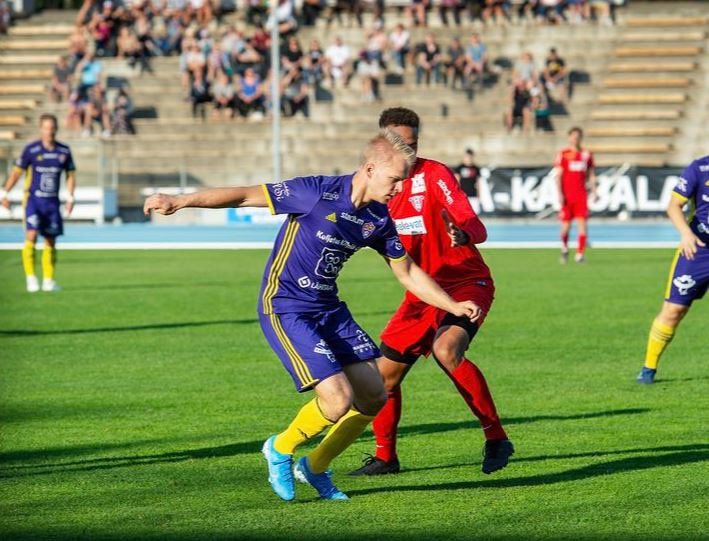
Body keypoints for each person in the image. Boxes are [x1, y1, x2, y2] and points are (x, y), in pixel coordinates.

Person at [143, 129, 482, 501]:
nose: (399, 188)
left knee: (374, 396)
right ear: (370, 169)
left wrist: (452, 306)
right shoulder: (316, 192)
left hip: (329, 310)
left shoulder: (378, 218)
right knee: (337, 400)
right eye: (395, 179)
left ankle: (315, 467)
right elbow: (243, 195)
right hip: (287, 306)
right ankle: (280, 448)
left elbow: (408, 272)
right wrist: (180, 200)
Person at [350, 108, 513, 477]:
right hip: (422, 294)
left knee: (446, 349)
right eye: (399, 145)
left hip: (466, 281)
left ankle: (496, 438)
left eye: (413, 144)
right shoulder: (379, 189)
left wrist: (464, 233)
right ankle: (386, 457)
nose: (408, 152)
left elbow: (473, 223)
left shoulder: (435, 174)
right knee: (382, 378)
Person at [636, 156, 708, 384]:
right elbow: (674, 206)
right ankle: (648, 369)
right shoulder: (699, 168)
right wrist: (686, 234)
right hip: (698, 249)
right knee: (673, 310)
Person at [0, 114, 76, 292]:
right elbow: (16, 173)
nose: (49, 131)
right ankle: (31, 279)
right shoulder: (31, 150)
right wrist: (4, 193)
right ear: (41, 129)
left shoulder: (64, 151)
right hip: (33, 202)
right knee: (31, 236)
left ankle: (49, 280)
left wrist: (70, 197)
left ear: (56, 129)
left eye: (52, 128)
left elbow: (70, 175)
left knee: (50, 241)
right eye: (46, 128)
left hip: (52, 204)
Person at [553, 126, 596, 263]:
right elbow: (558, 176)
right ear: (569, 137)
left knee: (582, 225)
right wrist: (560, 194)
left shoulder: (586, 154)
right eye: (573, 136)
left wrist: (594, 190)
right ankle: (564, 248)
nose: (575, 139)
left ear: (581, 138)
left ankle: (580, 254)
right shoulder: (563, 154)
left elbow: (591, 174)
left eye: (578, 136)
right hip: (567, 196)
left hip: (581, 195)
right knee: (565, 227)